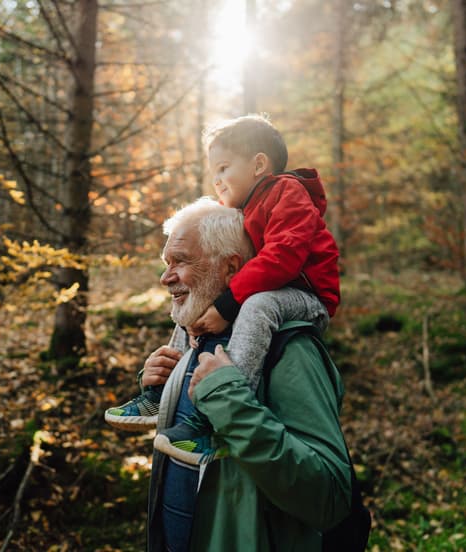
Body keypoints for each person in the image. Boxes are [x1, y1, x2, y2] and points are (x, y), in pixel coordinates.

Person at [106, 114, 341, 465]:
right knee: (194, 301)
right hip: (272, 288)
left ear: (259, 164)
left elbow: (284, 255)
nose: (216, 180)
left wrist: (229, 303)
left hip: (307, 296)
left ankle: (222, 410)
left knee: (257, 305)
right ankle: (158, 393)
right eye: (213, 172)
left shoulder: (287, 193)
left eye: (223, 168)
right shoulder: (247, 206)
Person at [142, 198, 352, 551]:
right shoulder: (193, 340)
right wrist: (158, 390)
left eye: (181, 262)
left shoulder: (289, 350)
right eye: (166, 264)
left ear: (231, 268)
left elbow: (329, 497)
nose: (165, 278)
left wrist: (229, 401)